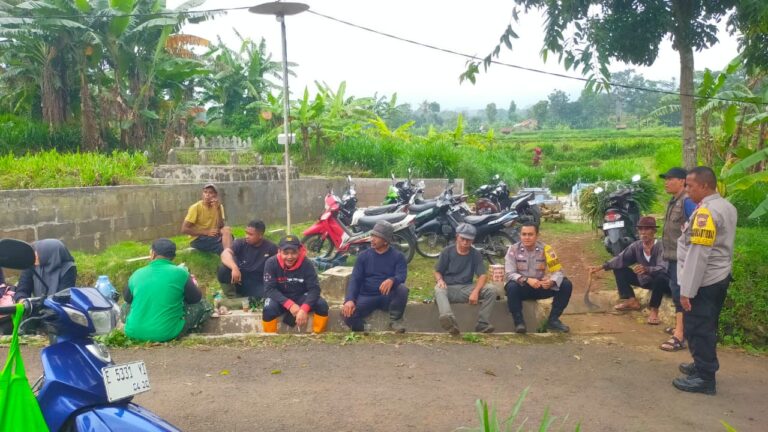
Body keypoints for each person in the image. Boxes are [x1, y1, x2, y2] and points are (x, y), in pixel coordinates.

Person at [673, 167, 737, 395]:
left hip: (704, 281)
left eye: (690, 186)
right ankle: (702, 365)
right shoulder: (725, 206)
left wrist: (687, 291)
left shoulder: (706, 213)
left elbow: (698, 254)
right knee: (707, 325)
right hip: (719, 276)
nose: (687, 190)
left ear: (705, 186)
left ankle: (705, 378)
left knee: (698, 327)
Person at [123, 238, 210, 342]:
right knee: (204, 305)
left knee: (125, 305)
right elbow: (195, 299)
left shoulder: (137, 273)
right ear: (173, 256)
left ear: (153, 254)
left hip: (133, 333)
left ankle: (136, 325)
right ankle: (192, 329)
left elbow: (127, 299)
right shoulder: (181, 273)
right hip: (167, 333)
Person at [588, 216, 670, 324]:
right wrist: (602, 267)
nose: (643, 232)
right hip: (644, 280)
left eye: (647, 229)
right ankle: (631, 300)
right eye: (640, 229)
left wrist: (647, 269)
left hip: (660, 283)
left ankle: (654, 311)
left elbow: (664, 268)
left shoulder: (661, 246)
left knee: (660, 278)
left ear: (654, 231)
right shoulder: (636, 246)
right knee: (619, 269)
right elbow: (620, 259)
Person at [341, 221, 409, 333]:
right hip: (367, 296)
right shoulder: (363, 256)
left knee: (402, 289)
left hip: (387, 296)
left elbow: (402, 275)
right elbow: (355, 279)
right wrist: (350, 300)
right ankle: (364, 327)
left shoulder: (398, 256)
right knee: (347, 314)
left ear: (386, 241)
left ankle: (396, 321)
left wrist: (393, 280)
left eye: (376, 237)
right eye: (372, 235)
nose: (372, 239)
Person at [504, 222, 572, 333]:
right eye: (524, 234)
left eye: (530, 234)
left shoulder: (546, 249)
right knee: (511, 286)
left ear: (537, 235)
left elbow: (558, 271)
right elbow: (509, 273)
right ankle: (519, 323)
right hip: (522, 287)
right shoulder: (513, 249)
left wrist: (551, 281)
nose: (527, 237)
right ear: (520, 235)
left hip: (540, 286)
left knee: (565, 284)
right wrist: (527, 280)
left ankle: (553, 320)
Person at [434, 223, 496, 335]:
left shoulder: (475, 254)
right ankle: (449, 321)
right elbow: (437, 271)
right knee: (439, 289)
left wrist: (475, 292)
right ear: (457, 236)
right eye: (462, 238)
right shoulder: (447, 251)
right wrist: (440, 280)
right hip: (449, 288)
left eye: (469, 240)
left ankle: (482, 323)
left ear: (473, 240)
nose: (465, 242)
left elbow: (482, 275)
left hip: (467, 289)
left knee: (491, 289)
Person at [659, 167, 696, 352]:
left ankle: (680, 336)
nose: (666, 182)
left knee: (680, 294)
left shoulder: (687, 202)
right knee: (676, 291)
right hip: (673, 257)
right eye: (665, 179)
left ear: (682, 181)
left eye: (670, 179)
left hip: (683, 259)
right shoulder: (674, 201)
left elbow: (695, 228)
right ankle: (680, 328)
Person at [262, 235, 329, 334]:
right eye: (286, 253)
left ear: (299, 251)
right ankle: (270, 337)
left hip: (301, 297)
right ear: (279, 251)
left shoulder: (307, 264)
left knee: (322, 304)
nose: (290, 257)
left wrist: (304, 309)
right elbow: (269, 289)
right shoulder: (271, 263)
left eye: (294, 252)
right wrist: (290, 305)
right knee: (268, 309)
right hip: (280, 298)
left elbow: (314, 289)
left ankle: (319, 334)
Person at [218, 219, 278, 301]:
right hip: (239, 279)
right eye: (246, 233)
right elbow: (225, 254)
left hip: (257, 282)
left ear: (260, 235)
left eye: (250, 234)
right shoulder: (240, 243)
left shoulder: (271, 247)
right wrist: (234, 267)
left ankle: (239, 301)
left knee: (266, 297)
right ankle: (232, 297)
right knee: (223, 269)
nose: (247, 236)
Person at [181, 183, 232, 254]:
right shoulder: (195, 207)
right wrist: (206, 232)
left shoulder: (219, 206)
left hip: (213, 235)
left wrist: (218, 209)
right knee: (224, 245)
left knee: (227, 230)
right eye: (205, 192)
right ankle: (228, 254)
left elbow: (221, 226)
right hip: (198, 238)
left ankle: (228, 252)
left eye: (210, 193)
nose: (207, 195)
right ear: (202, 194)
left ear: (215, 195)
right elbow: (184, 229)